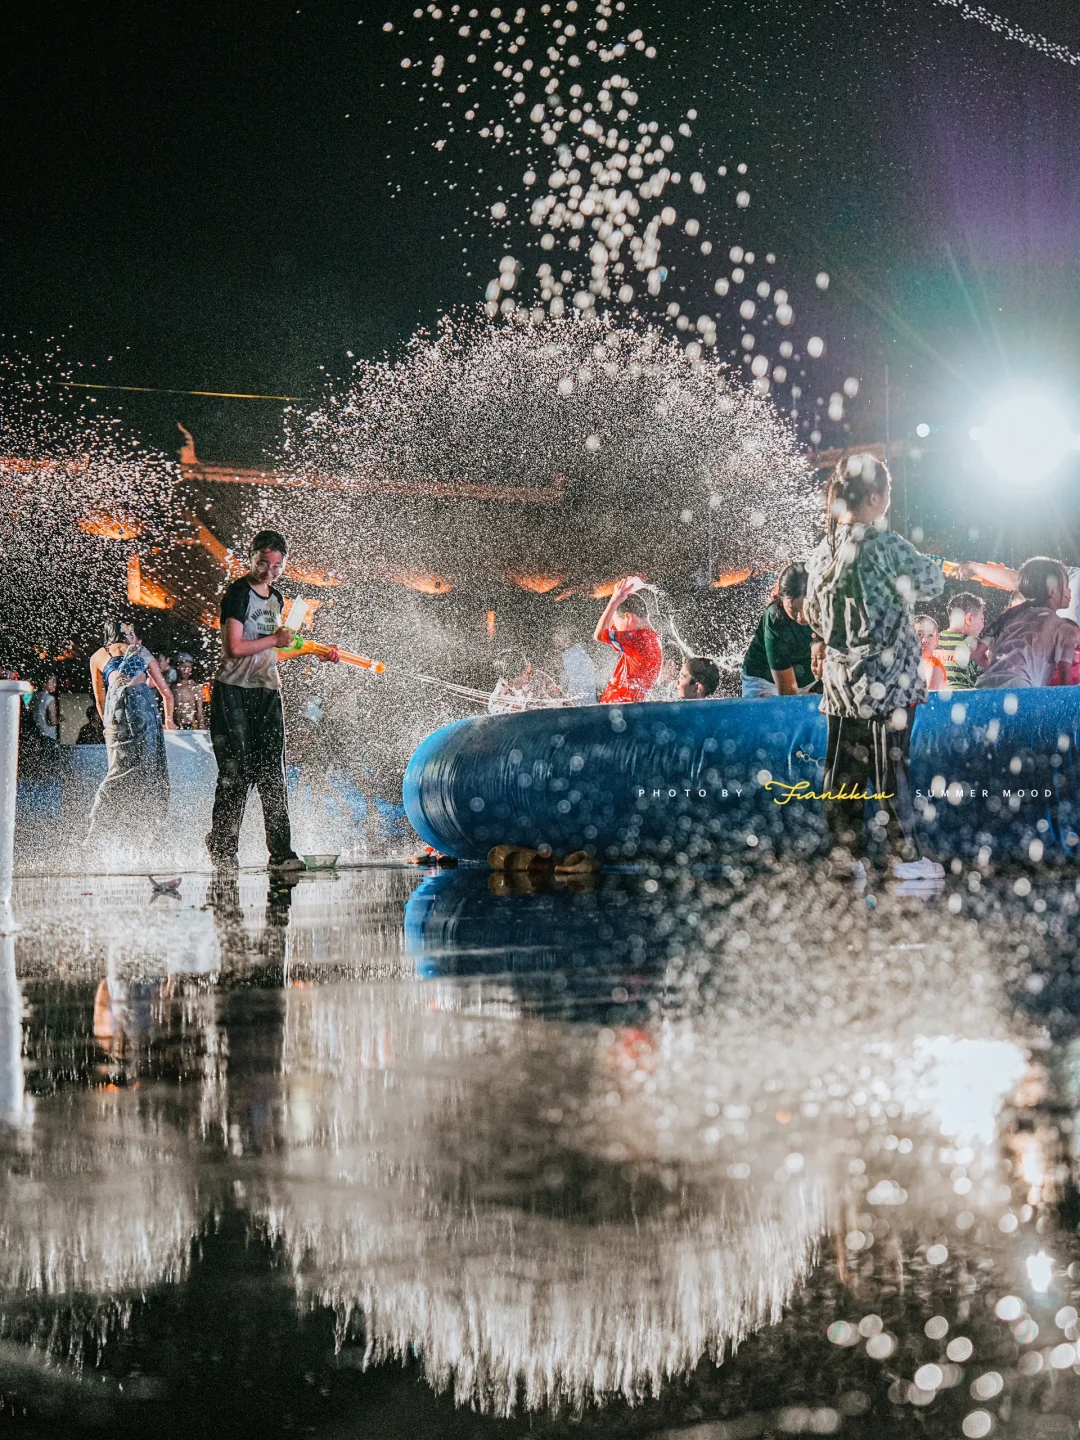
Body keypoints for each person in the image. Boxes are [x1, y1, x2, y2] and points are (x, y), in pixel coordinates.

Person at [803, 457, 946, 882]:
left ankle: (845, 856)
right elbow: (933, 583)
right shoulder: (883, 544)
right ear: (875, 497)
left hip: (840, 680)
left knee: (842, 770)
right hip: (889, 677)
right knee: (890, 766)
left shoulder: (822, 550)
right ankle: (905, 859)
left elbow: (812, 613)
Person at [206, 529, 338, 873]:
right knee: (236, 772)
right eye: (263, 563)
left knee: (272, 774)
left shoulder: (277, 599)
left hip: (267, 692)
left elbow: (272, 655)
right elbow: (235, 648)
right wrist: (276, 639)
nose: (269, 571)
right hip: (232, 692)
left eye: (277, 566)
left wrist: (314, 652)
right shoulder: (238, 593)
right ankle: (222, 848)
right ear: (251, 558)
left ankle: (280, 852)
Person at [86, 616, 175, 846]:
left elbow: (101, 698)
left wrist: (107, 727)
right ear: (129, 634)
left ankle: (94, 832)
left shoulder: (97, 656)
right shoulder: (141, 651)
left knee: (117, 771)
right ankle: (148, 834)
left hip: (117, 717)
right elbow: (167, 694)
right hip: (145, 715)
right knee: (150, 770)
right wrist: (169, 720)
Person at [975, 557, 1080, 689]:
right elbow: (1065, 676)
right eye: (1066, 588)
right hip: (1031, 687)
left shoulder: (1008, 616)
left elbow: (977, 652)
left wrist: (1002, 669)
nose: (1068, 592)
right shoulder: (1061, 624)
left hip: (986, 685)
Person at [741, 563, 816, 697]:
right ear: (781, 599)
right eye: (793, 609)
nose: (801, 617)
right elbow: (787, 692)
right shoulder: (775, 619)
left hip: (806, 677)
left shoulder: (828, 608)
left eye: (806, 609)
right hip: (764, 679)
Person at [594, 577, 663, 704]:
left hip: (618, 712)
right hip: (627, 710)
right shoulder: (650, 638)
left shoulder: (637, 639)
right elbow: (609, 628)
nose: (614, 626)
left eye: (616, 621)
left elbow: (599, 635)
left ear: (629, 617)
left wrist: (614, 601)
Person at [934, 592, 988, 690]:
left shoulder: (933, 641)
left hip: (934, 699)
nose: (983, 625)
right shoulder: (973, 644)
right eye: (981, 619)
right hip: (963, 700)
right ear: (969, 618)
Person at [914, 615, 948, 693]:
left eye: (930, 635)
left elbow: (929, 700)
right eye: (919, 634)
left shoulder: (935, 667)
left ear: (937, 640)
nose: (924, 640)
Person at [171, 652, 204, 729]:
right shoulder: (172, 687)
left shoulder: (195, 688)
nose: (186, 670)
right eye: (184, 666)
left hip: (190, 725)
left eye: (189, 667)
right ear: (178, 667)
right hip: (175, 726)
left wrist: (202, 727)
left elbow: (199, 711)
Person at [30, 675, 59, 743]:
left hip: (37, 734)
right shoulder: (50, 699)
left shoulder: (34, 697)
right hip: (48, 735)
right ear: (45, 683)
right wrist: (60, 719)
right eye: (53, 681)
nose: (55, 684)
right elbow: (53, 721)